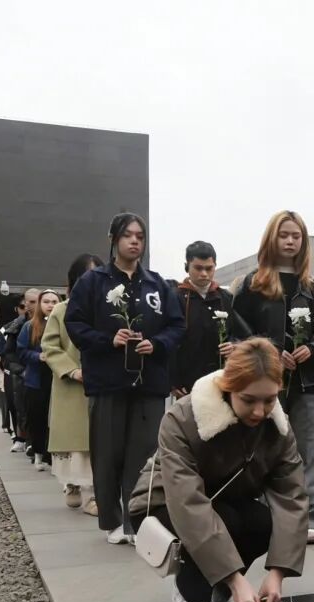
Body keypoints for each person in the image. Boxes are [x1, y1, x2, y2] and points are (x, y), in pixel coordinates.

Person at [128, 338, 308, 602]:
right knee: (227, 521)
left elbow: (292, 497)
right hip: (165, 504)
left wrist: (278, 573)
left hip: (226, 500)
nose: (260, 411)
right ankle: (190, 592)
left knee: (262, 522)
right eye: (248, 400)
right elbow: (187, 502)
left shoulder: (277, 427)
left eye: (270, 400)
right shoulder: (182, 418)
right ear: (228, 387)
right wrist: (236, 579)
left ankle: (219, 587)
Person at [65, 212, 184, 544]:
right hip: (108, 381)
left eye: (140, 236)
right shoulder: (93, 282)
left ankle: (137, 521)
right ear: (113, 239)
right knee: (107, 453)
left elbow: (177, 326)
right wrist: (108, 340)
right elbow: (75, 324)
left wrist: (157, 343)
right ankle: (111, 520)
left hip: (149, 382)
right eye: (128, 235)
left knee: (143, 456)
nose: (135, 241)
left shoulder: (158, 285)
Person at [233, 210, 314, 545]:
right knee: (264, 450)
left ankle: (305, 520)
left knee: (305, 452)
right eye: (284, 235)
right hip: (265, 386)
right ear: (272, 238)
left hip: (305, 384)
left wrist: (313, 350)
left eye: (296, 236)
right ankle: (265, 518)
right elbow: (239, 333)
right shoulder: (253, 285)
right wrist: (270, 353)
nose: (290, 241)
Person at [42, 254, 102, 515]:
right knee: (74, 441)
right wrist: (72, 370)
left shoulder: (108, 309)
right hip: (70, 385)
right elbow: (50, 346)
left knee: (97, 442)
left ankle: (93, 494)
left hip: (101, 383)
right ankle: (72, 485)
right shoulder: (61, 310)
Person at [169, 240, 249, 398]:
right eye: (198, 268)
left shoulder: (225, 297)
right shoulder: (175, 297)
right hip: (187, 384)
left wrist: (234, 346)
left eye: (209, 268)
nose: (204, 274)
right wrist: (173, 381)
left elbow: (244, 335)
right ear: (187, 267)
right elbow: (170, 342)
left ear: (215, 266)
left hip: (221, 381)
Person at [18, 289, 61, 471]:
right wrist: (38, 356)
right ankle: (38, 454)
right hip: (36, 379)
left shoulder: (64, 323)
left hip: (58, 377)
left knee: (56, 419)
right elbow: (20, 352)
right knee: (37, 418)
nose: (50, 305)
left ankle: (54, 456)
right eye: (46, 301)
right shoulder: (29, 326)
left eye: (54, 301)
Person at [0, 290, 39, 453]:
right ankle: (25, 440)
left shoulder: (51, 322)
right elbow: (8, 354)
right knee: (21, 408)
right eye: (27, 303)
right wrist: (21, 371)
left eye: (36, 302)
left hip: (43, 371)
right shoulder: (14, 326)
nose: (30, 306)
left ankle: (36, 443)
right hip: (22, 373)